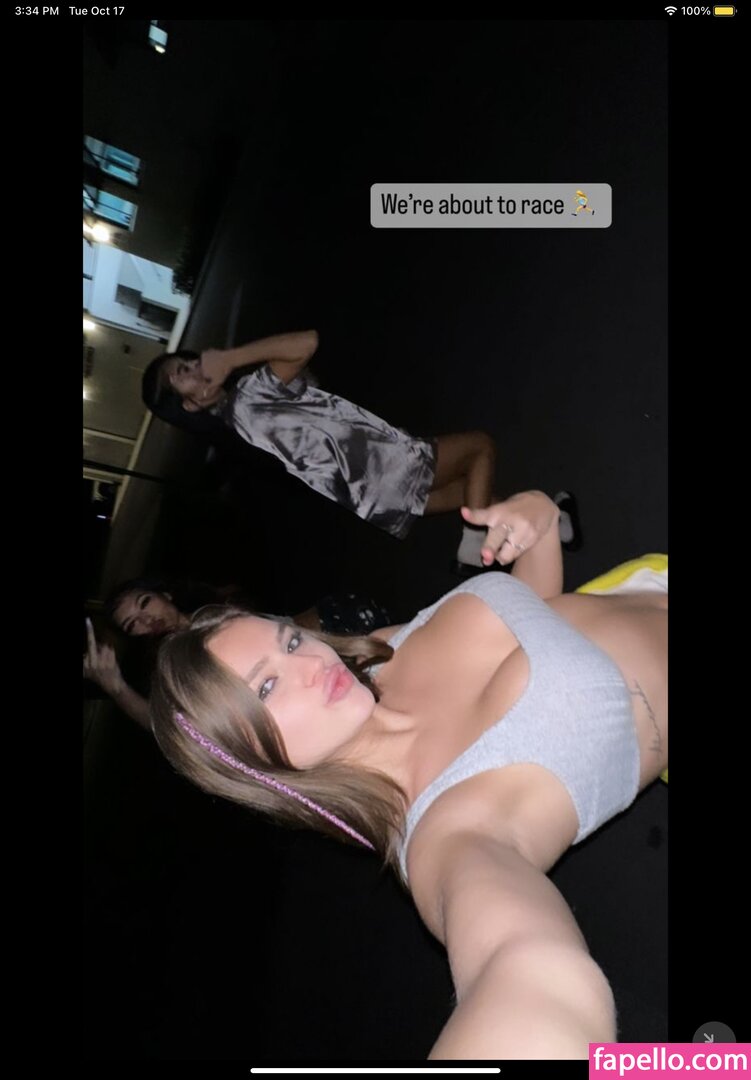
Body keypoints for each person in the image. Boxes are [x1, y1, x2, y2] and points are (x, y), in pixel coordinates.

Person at [149, 490, 667, 1060]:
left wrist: (539, 528)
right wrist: (706, 1066)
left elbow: (534, 617)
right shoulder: (448, 835)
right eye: (267, 687)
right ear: (253, 765)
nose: (311, 663)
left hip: (645, 580)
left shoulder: (375, 656)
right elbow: (528, 973)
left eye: (290, 639)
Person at [142, 330, 498, 570]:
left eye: (188, 361)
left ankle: (525, 535)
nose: (194, 365)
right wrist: (231, 357)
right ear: (189, 404)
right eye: (182, 373)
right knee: (480, 447)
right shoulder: (248, 396)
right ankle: (475, 554)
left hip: (368, 495)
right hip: (382, 465)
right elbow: (307, 341)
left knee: (472, 494)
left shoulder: (233, 426)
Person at [83, 578, 392, 733]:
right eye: (132, 624)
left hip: (331, 626)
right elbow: (170, 725)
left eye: (145, 603)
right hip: (321, 680)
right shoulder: (176, 668)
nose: (147, 619)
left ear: (165, 594)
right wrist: (116, 687)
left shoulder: (209, 604)